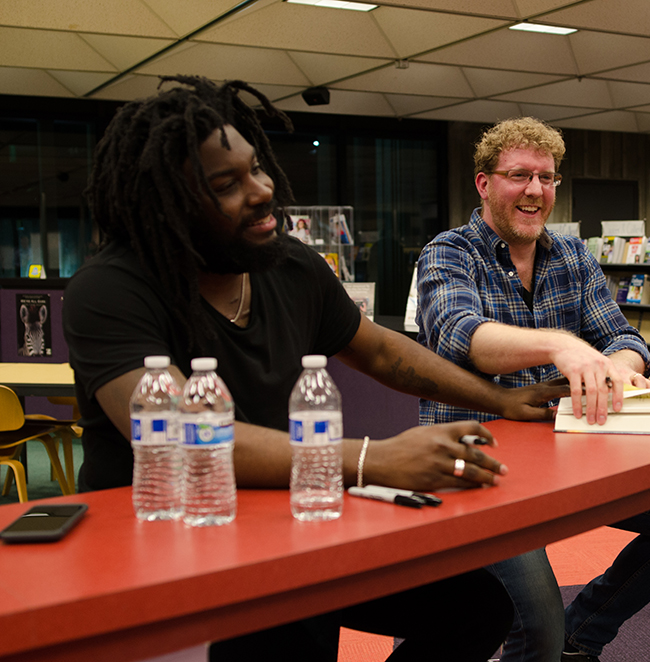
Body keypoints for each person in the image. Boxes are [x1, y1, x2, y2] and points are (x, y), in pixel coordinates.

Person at [64, 76, 570, 662]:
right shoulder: (111, 288)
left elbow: (382, 351)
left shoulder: (290, 266)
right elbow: (182, 436)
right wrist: (371, 458)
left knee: (475, 608)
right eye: (227, 184)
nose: (262, 191)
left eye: (256, 169)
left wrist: (501, 400)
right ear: (169, 205)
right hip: (165, 551)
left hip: (284, 520)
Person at [416, 117, 650, 662]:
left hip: (565, 458)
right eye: (519, 175)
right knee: (536, 624)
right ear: (484, 184)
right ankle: (558, 642)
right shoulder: (448, 252)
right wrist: (561, 346)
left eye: (547, 177)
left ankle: (581, 638)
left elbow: (625, 339)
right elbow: (460, 336)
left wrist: (622, 366)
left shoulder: (571, 256)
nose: (535, 190)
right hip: (478, 468)